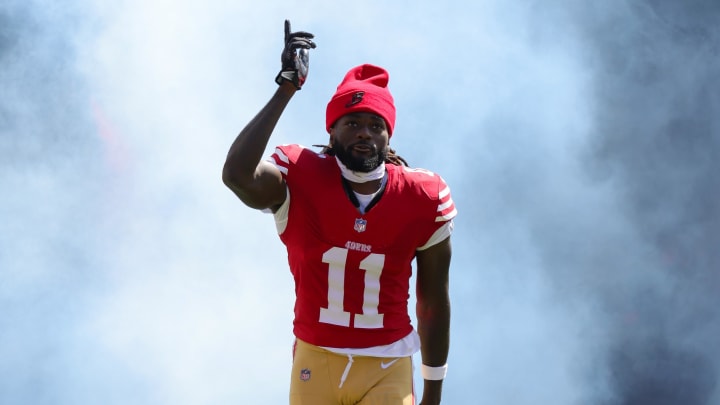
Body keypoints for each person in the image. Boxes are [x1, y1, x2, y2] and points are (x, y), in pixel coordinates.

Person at [222, 20, 456, 405]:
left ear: (388, 135)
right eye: (353, 122)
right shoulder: (300, 175)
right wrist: (286, 89)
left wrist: (433, 391)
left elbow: (432, 302)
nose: (364, 132)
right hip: (317, 360)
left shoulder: (422, 195)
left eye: (375, 124)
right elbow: (237, 175)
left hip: (387, 365)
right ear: (332, 132)